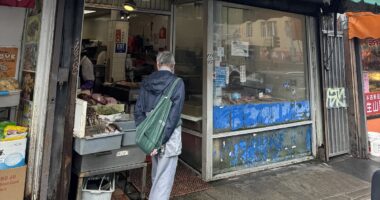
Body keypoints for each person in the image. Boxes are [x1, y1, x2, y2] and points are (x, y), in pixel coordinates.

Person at [134, 51, 185, 200]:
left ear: (158, 64)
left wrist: (147, 137)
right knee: (164, 181)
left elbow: (138, 111)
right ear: (173, 65)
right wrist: (160, 141)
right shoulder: (177, 83)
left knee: (157, 176)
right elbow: (173, 117)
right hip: (168, 139)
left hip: (150, 136)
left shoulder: (146, 81)